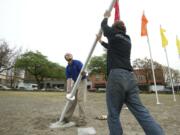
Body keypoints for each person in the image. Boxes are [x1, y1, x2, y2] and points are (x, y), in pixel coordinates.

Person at [96, 10, 165, 135]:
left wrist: (106, 16)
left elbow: (104, 27)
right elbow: (111, 47)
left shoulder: (113, 34)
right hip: (130, 77)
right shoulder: (127, 39)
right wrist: (100, 42)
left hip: (117, 76)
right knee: (141, 111)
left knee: (113, 114)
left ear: (115, 28)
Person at [61, 53, 87, 126]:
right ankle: (66, 118)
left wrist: (84, 73)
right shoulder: (67, 68)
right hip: (75, 82)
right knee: (71, 100)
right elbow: (69, 79)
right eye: (67, 55)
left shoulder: (77, 63)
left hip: (82, 81)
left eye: (69, 54)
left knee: (80, 100)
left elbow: (84, 72)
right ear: (65, 58)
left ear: (72, 56)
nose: (68, 55)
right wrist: (69, 91)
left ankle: (82, 121)